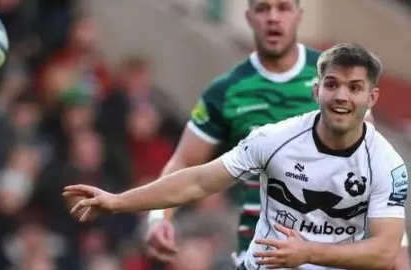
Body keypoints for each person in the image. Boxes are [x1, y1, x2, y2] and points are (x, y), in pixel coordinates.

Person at [63, 43, 408, 270]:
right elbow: (198, 181)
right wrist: (118, 201)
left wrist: (309, 253)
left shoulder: (386, 164)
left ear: (372, 98)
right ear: (316, 91)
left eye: (355, 87)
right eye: (332, 84)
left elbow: (385, 251)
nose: (341, 96)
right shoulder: (274, 139)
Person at [144, 0, 410, 268]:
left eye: (283, 8)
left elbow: (371, 169)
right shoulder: (228, 91)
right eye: (263, 8)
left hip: (328, 255)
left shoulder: (337, 81)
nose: (273, 18)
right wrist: (159, 218)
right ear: (249, 17)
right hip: (259, 253)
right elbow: (187, 164)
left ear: (298, 15)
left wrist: (399, 247)